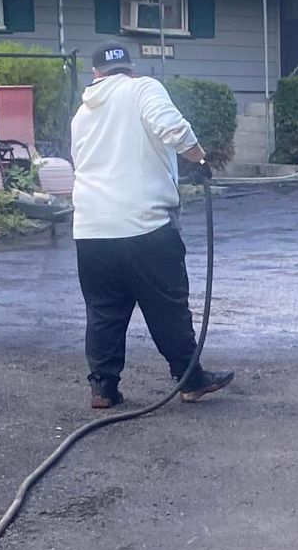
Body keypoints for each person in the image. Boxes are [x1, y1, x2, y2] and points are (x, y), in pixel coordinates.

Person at [68, 43, 235, 410]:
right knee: (167, 306)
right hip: (144, 225)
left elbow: (79, 164)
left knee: (103, 311)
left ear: (96, 74)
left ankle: (103, 389)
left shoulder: (81, 115)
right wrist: (199, 157)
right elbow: (174, 128)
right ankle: (190, 380)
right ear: (129, 69)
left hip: (92, 230)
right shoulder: (142, 88)